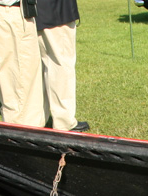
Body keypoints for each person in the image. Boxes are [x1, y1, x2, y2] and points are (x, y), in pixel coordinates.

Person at [35, 0, 89, 132]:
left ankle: (40, 118)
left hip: (36, 13)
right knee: (62, 64)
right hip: (56, 12)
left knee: (43, 66)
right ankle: (64, 122)